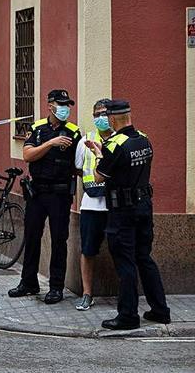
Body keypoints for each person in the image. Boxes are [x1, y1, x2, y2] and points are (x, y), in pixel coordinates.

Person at [88, 100, 171, 330]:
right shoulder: (144, 139)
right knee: (144, 258)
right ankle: (160, 310)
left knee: (125, 263)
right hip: (144, 206)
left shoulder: (114, 145)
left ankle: (127, 316)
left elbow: (98, 177)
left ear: (113, 119)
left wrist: (97, 153)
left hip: (123, 212)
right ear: (129, 116)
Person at [9, 89, 82, 304]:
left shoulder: (74, 132)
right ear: (50, 105)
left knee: (60, 240)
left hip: (60, 194)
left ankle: (56, 287)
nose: (64, 109)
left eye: (67, 105)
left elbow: (78, 165)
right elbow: (27, 155)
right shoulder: (37, 128)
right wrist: (51, 143)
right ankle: (28, 282)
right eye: (61, 104)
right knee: (32, 237)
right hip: (37, 192)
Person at [74, 99, 113, 311]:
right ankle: (87, 294)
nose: (101, 117)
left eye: (105, 113)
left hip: (115, 205)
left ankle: (125, 295)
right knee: (88, 250)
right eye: (97, 113)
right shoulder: (85, 140)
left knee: (122, 251)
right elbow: (79, 169)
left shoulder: (121, 139)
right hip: (91, 204)